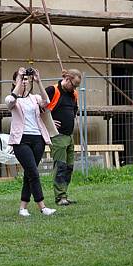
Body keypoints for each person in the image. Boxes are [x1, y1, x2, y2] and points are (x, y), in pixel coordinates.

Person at [5, 68, 56, 217]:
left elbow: (47, 103)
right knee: (34, 173)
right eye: (22, 79)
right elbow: (10, 102)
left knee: (29, 173)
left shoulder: (34, 98)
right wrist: (19, 83)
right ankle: (42, 206)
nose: (25, 81)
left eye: (27, 79)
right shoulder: (12, 98)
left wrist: (39, 81)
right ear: (15, 81)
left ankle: (23, 207)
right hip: (21, 140)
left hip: (37, 138)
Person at [45, 69, 82, 206]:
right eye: (74, 85)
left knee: (69, 167)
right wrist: (49, 122)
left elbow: (74, 110)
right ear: (67, 78)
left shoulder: (74, 94)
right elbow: (38, 109)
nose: (75, 88)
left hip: (69, 135)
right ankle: (60, 197)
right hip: (57, 135)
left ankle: (64, 194)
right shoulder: (52, 90)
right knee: (60, 166)